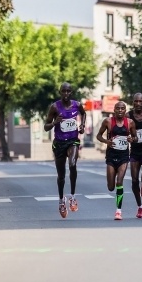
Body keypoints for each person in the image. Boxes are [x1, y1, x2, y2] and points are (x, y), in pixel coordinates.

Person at [44, 82, 86, 218]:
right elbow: (46, 126)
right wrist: (54, 122)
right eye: (64, 91)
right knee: (61, 176)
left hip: (73, 141)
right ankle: (62, 201)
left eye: (68, 91)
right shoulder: (55, 107)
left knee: (72, 164)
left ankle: (73, 197)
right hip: (59, 143)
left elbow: (83, 113)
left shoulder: (77, 105)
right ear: (60, 92)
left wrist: (82, 125)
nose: (66, 94)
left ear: (71, 92)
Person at [96, 101, 133, 220]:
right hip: (111, 156)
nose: (120, 110)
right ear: (114, 110)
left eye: (122, 108)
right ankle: (112, 185)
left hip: (123, 156)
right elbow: (98, 136)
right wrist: (107, 142)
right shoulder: (108, 121)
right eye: (118, 108)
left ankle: (118, 211)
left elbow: (135, 137)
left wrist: (131, 139)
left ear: (125, 110)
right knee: (111, 187)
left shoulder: (130, 122)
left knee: (119, 182)